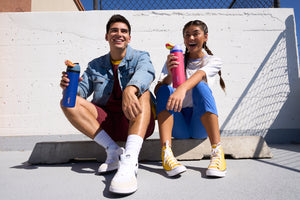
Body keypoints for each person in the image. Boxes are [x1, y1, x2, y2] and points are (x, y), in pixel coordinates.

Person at [60, 14, 155, 194]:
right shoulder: (96, 65)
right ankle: (113, 151)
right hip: (107, 125)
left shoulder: (140, 57)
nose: (119, 34)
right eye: (114, 30)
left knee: (144, 92)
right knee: (68, 101)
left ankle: (130, 160)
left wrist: (130, 89)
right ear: (107, 36)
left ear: (129, 37)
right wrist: (68, 86)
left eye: (123, 31)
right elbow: (81, 91)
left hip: (135, 122)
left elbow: (147, 72)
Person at [154, 20, 227, 178]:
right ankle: (166, 153)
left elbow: (200, 75)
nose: (191, 38)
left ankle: (217, 153)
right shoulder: (175, 59)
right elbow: (158, 89)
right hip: (178, 122)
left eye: (196, 34)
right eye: (187, 35)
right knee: (164, 89)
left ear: (205, 37)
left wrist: (181, 88)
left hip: (199, 123)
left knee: (200, 86)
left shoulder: (213, 60)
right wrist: (171, 74)